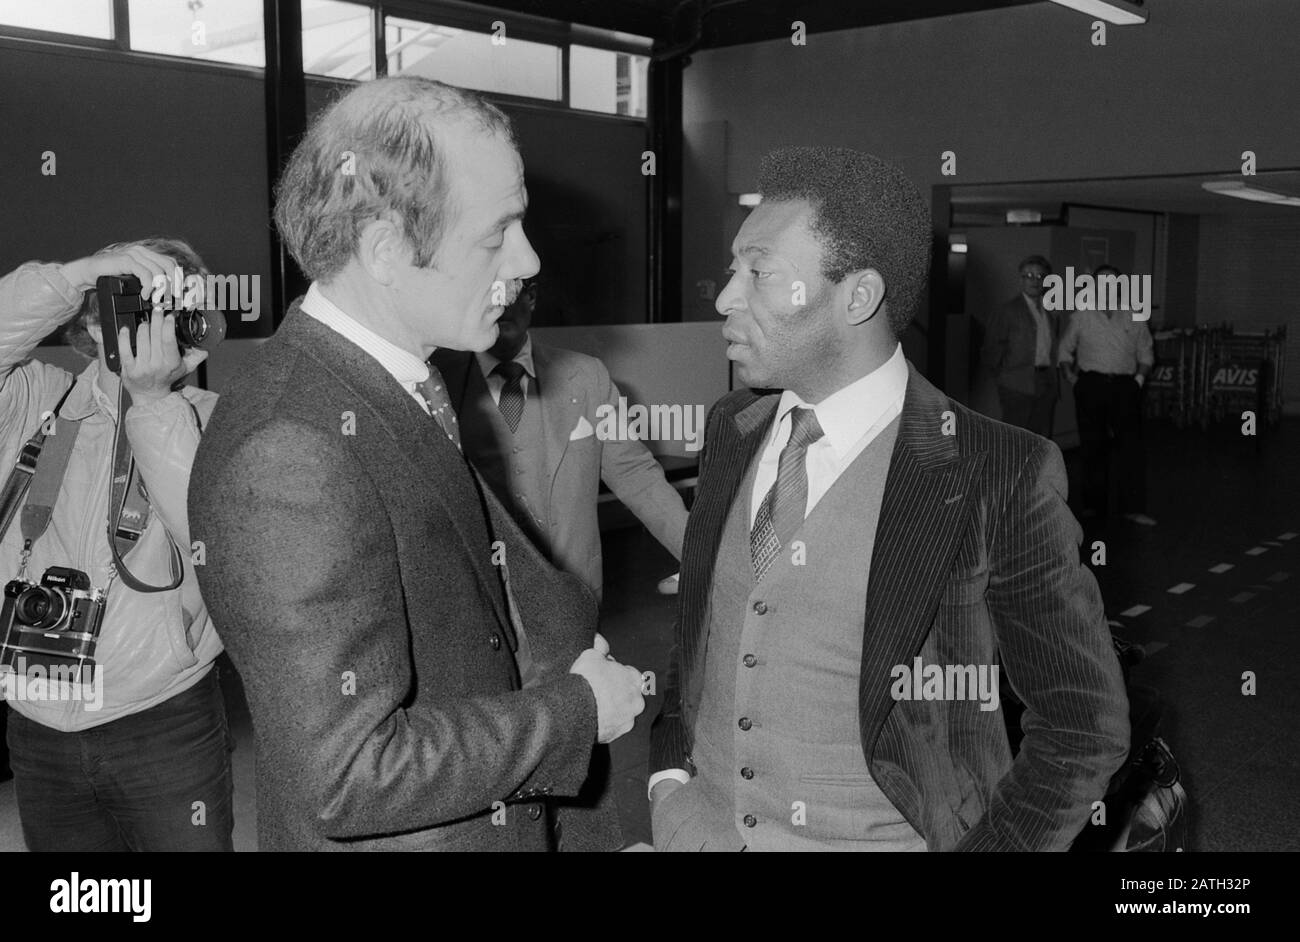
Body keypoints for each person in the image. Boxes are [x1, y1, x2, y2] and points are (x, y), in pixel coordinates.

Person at [188, 76, 645, 852]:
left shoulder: (390, 381)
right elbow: (345, 775)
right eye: (496, 233)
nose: (529, 260)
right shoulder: (290, 450)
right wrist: (577, 711)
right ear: (387, 250)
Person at [648, 147, 1129, 852]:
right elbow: (699, 631)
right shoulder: (731, 428)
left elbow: (1084, 725)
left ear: (858, 296)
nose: (724, 297)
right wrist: (669, 787)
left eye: (758, 273)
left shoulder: (999, 472)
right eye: (732, 270)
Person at [0, 239, 232, 851]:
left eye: (171, 305)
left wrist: (153, 401)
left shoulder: (214, 421)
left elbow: (214, 544)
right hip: (37, 720)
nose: (153, 319)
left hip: (164, 720)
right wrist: (75, 273)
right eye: (133, 297)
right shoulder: (31, 399)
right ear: (92, 313)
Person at [432, 277, 689, 605]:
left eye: (510, 291)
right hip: (480, 603)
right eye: (488, 290)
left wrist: (703, 558)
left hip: (572, 597)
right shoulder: (437, 381)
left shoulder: (586, 377)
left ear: (532, 297)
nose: (501, 305)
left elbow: (636, 475)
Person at [1058, 264, 1156, 524]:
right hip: (1091, 385)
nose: (1106, 287)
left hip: (1125, 387)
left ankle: (1133, 508)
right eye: (1101, 282)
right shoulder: (1082, 315)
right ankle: (1093, 507)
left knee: (1131, 447)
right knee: (1092, 447)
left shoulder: (1134, 314)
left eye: (1111, 282)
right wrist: (1073, 378)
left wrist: (1138, 380)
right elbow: (1064, 351)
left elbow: (1146, 352)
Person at [982, 255, 1061, 437]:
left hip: (1046, 383)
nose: (1035, 280)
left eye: (1040, 276)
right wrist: (1004, 379)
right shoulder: (1007, 311)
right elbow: (991, 350)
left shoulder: (1050, 311)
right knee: (1016, 438)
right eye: (1029, 275)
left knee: (1041, 438)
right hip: (1016, 384)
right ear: (1021, 279)